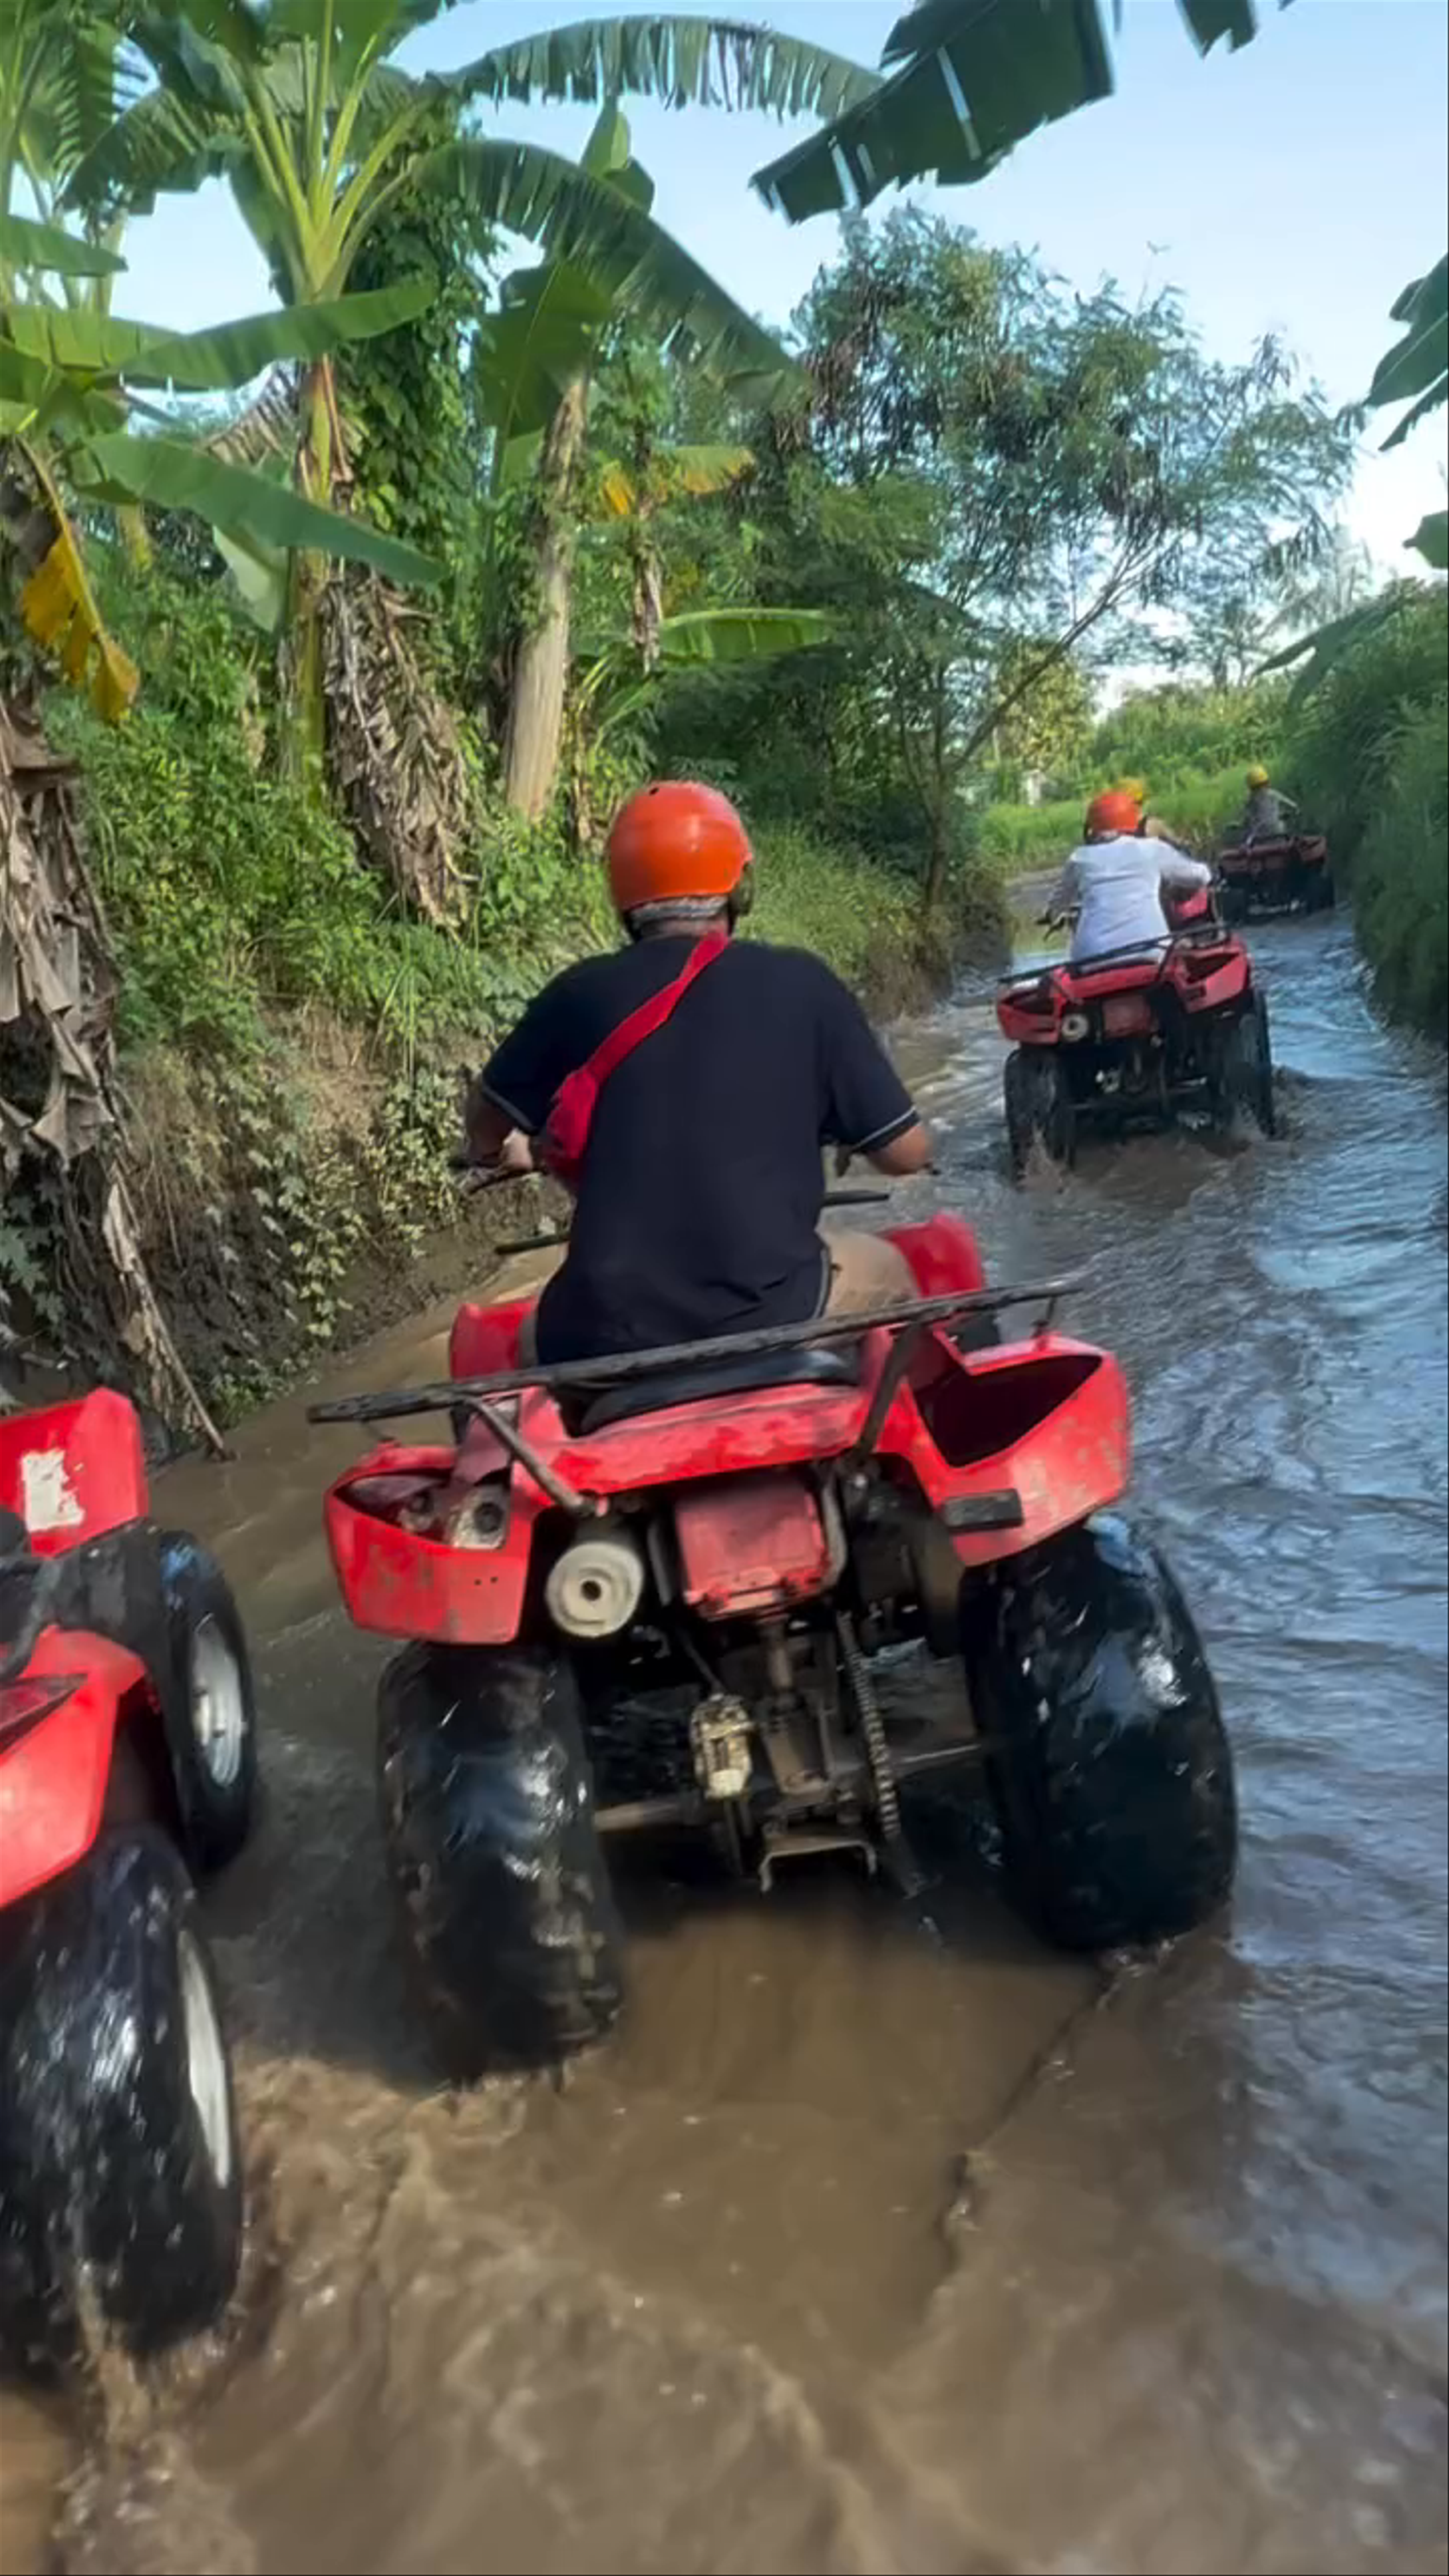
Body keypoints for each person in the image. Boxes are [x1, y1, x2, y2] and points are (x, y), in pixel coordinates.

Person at [461, 781, 932, 1365]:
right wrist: (841, 1128)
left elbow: (485, 1130)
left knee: (520, 1352)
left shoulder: (576, 994)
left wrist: (504, 1148)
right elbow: (906, 1153)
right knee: (890, 1269)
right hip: (774, 1312)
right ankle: (913, 1434)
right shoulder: (802, 983)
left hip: (598, 1339)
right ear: (738, 888)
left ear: (625, 900)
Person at [1049, 789, 1213, 965]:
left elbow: (1057, 904)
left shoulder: (1079, 858)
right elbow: (1201, 876)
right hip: (1152, 953)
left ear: (1092, 827)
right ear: (1132, 820)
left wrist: (1053, 915)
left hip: (1090, 960)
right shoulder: (1151, 849)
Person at [1239, 765, 1298, 843]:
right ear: (1268, 782)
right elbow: (1294, 807)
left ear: (1250, 787)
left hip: (1259, 838)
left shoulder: (1250, 801)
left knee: (1246, 839)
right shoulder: (1274, 794)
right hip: (1279, 834)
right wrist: (1286, 815)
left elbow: (1247, 820)